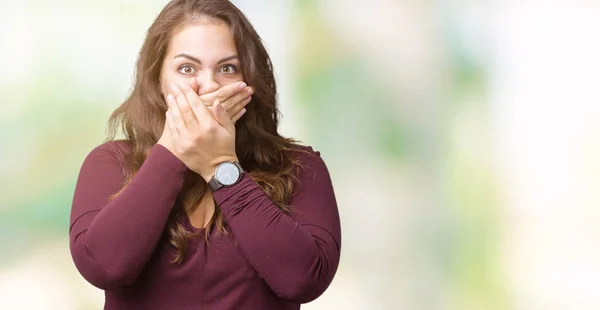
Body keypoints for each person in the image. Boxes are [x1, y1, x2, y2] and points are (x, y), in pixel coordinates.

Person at [68, 0, 341, 309]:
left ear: (249, 80)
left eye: (227, 68)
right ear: (158, 81)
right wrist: (174, 147)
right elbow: (104, 266)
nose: (209, 85)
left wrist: (221, 166)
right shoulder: (110, 164)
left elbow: (304, 279)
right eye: (187, 68)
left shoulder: (300, 168)